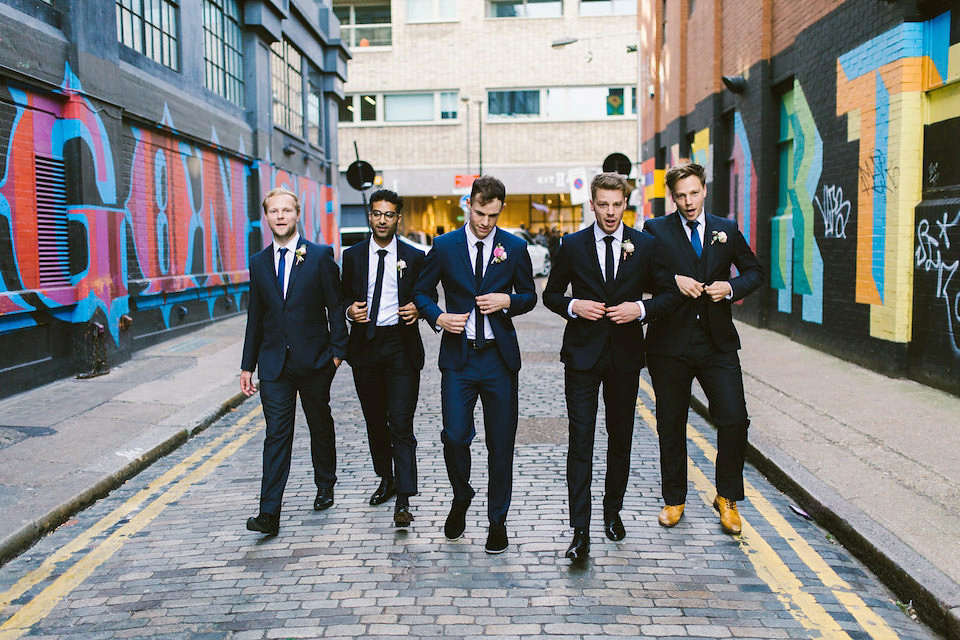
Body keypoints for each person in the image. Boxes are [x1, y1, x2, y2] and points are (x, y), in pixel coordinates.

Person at [543, 172, 680, 560]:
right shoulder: (572, 245)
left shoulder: (645, 245)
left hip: (624, 357)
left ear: (626, 204)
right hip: (582, 358)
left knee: (620, 440)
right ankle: (580, 530)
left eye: (616, 205)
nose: (609, 212)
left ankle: (613, 511)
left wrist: (639, 309)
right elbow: (551, 294)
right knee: (581, 441)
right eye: (602, 204)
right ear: (592, 204)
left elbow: (668, 295)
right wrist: (574, 307)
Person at [413, 175, 537, 554]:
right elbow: (421, 292)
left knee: (501, 445)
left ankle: (497, 521)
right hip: (459, 359)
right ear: (469, 204)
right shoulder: (445, 245)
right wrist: (437, 317)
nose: (485, 222)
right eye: (480, 213)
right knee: (454, 436)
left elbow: (530, 295)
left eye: (493, 215)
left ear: (502, 210)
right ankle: (461, 495)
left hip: (500, 360)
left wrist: (508, 302)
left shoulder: (514, 247)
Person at [643, 162, 763, 535]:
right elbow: (642, 275)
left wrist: (729, 289)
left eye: (693, 193)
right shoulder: (655, 230)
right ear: (672, 196)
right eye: (680, 195)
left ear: (704, 190)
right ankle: (674, 498)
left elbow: (753, 272)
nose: (688, 201)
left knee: (734, 419)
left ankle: (726, 497)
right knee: (671, 424)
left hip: (716, 343)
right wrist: (672, 279)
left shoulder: (725, 230)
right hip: (669, 344)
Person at [240, 187, 348, 536]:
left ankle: (325, 484)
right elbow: (255, 317)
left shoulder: (318, 256)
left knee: (320, 423)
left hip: (315, 361)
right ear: (267, 217)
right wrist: (247, 365)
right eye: (274, 211)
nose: (281, 216)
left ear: (297, 215)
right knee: (276, 435)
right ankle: (269, 514)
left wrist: (337, 353)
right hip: (274, 365)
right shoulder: (258, 263)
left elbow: (335, 306)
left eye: (287, 210)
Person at [341, 189, 427, 528]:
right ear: (370, 216)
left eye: (389, 214)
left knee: (401, 424)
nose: (382, 219)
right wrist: (349, 310)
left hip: (401, 347)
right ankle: (386, 478)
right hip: (366, 346)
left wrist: (419, 308)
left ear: (398, 218)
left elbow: (427, 293)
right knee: (375, 421)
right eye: (377, 213)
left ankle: (404, 500)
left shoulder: (414, 256)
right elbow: (343, 294)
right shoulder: (353, 256)